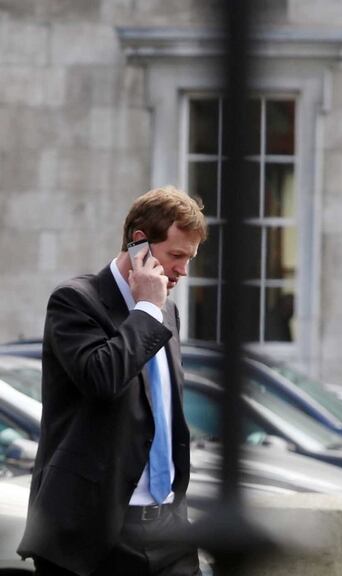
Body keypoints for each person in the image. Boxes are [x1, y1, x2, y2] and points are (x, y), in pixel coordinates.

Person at [18, 186, 207, 576]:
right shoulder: (76, 301)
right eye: (176, 255)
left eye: (189, 259)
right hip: (94, 535)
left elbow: (164, 414)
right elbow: (102, 378)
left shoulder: (166, 313)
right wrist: (146, 309)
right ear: (139, 244)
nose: (183, 271)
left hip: (168, 531)